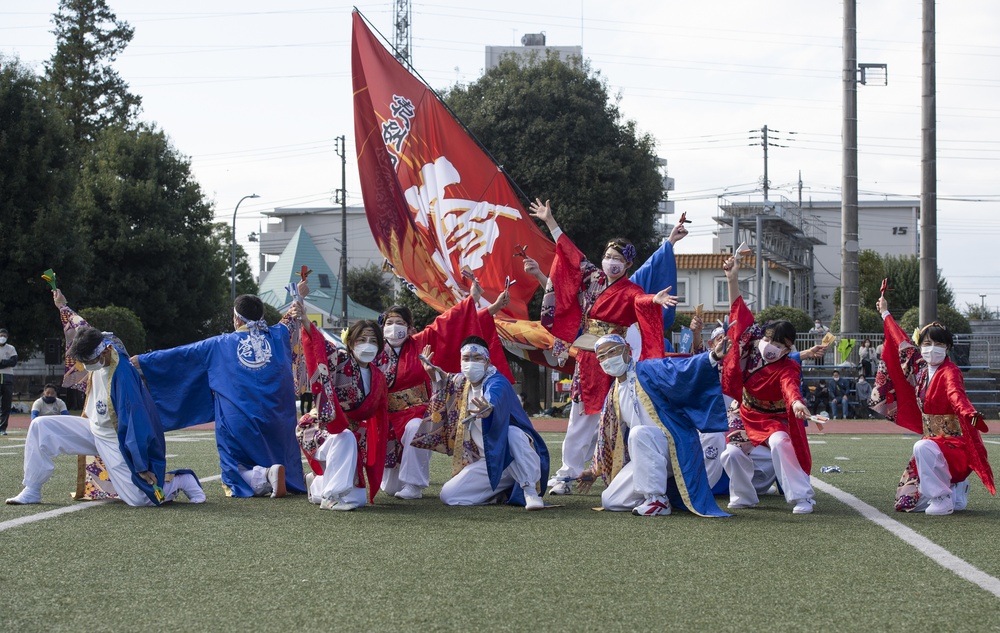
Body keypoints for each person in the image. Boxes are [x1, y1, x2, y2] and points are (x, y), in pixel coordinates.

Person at [529, 198, 678, 495]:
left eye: (619, 259)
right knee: (580, 416)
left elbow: (640, 301)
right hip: (588, 356)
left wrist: (654, 300)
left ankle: (627, 470)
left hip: (615, 361)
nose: (612, 262)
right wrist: (550, 221)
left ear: (628, 265)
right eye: (610, 255)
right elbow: (570, 255)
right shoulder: (593, 277)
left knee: (624, 416)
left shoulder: (632, 290)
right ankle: (568, 475)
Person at [6, 295, 204, 506]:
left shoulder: (122, 375)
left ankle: (181, 480)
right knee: (40, 426)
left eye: (86, 362)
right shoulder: (96, 341)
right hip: (92, 428)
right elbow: (78, 325)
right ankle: (32, 489)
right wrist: (62, 305)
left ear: (100, 354)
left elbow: (135, 423)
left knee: (139, 499)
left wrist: (141, 466)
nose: (83, 367)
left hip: (114, 438)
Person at [133, 285, 309, 498]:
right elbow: (292, 317)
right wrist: (299, 295)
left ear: (237, 319)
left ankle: (264, 476)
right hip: (280, 424)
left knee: (231, 472)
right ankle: (276, 474)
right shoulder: (279, 334)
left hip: (241, 425)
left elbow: (180, 355)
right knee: (276, 441)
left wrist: (142, 361)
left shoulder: (220, 344)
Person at [376, 292, 513, 501]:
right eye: (390, 322)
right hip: (385, 415)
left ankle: (414, 485)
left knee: (416, 428)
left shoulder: (420, 342)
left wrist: (476, 301)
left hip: (416, 411)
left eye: (400, 322)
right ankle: (397, 479)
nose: (394, 327)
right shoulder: (375, 351)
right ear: (383, 326)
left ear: (409, 327)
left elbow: (449, 323)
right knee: (391, 489)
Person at [871, 296, 995, 515]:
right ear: (920, 346)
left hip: (954, 447)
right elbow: (899, 340)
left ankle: (943, 497)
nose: (932, 349)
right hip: (933, 445)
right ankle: (955, 488)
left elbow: (957, 396)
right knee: (905, 503)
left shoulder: (951, 372)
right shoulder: (919, 368)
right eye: (927, 344)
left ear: (948, 347)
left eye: (939, 344)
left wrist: (971, 415)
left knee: (921, 447)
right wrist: (885, 313)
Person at [589, 334, 729, 517]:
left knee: (639, 433)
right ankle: (664, 492)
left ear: (627, 350)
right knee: (611, 500)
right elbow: (606, 436)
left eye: (612, 352)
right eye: (602, 357)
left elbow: (681, 369)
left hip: (672, 446)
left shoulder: (648, 369)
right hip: (646, 456)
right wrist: (594, 470)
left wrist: (713, 356)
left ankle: (658, 500)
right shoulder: (613, 393)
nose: (607, 359)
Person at [720, 255, 816, 514]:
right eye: (769, 339)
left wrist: (796, 403)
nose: (771, 346)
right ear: (762, 336)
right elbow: (738, 312)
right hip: (746, 414)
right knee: (731, 453)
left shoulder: (788, 366)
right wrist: (732, 278)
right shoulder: (750, 348)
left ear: (789, 348)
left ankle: (802, 496)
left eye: (779, 343)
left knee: (781, 443)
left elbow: (789, 387)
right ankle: (743, 495)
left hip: (774, 419)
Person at [412, 336, 548, 510]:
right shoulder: (461, 382)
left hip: (511, 457)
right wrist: (432, 374)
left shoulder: (497, 381)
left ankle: (529, 490)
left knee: (513, 433)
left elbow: (495, 396)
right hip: (487, 461)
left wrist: (489, 408)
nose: (471, 362)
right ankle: (501, 491)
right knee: (449, 495)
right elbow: (445, 380)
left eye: (477, 358)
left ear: (487, 361)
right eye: (466, 358)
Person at [298, 319, 389, 511]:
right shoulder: (339, 360)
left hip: (351, 437)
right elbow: (319, 345)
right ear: (350, 342)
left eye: (373, 340)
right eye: (362, 339)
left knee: (358, 499)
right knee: (345, 435)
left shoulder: (379, 378)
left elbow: (379, 415)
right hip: (321, 427)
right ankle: (331, 497)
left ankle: (317, 485)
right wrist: (305, 317)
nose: (368, 344)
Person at [0, 327, 17, 436]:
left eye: (5, 336)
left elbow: (13, 361)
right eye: (1, 335)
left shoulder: (11, 348)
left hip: (7, 377)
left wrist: (2, 362)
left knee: (6, 403)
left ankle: (2, 428)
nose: (2, 338)